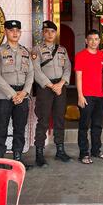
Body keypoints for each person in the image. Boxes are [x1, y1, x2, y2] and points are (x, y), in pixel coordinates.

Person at [0, 20, 34, 165]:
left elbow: (31, 74)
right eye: (11, 30)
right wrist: (12, 94)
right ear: (5, 32)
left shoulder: (25, 52)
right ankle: (0, 159)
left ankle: (17, 157)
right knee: (1, 127)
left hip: (22, 96)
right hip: (4, 96)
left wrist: (24, 93)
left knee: (20, 128)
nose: (15, 33)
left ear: (20, 32)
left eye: (17, 30)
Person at [32, 20, 72, 167]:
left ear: (56, 34)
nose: (50, 34)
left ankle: (60, 150)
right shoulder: (36, 50)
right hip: (45, 88)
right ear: (43, 33)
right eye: (47, 31)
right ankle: (39, 154)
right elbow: (36, 70)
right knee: (43, 120)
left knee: (60, 119)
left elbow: (68, 67)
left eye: (52, 32)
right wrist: (51, 85)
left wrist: (61, 84)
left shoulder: (62, 50)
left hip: (60, 88)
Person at [75, 29, 103, 164]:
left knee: (97, 125)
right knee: (84, 125)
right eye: (91, 39)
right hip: (86, 96)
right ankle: (83, 153)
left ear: (99, 41)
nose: (94, 42)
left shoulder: (102, 56)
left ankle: (96, 150)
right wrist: (80, 96)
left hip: (100, 95)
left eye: (96, 39)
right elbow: (79, 77)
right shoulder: (80, 56)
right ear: (86, 41)